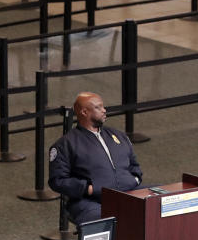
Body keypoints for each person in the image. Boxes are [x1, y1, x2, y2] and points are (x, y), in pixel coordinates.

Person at [48, 92, 143, 224]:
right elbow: (57, 180)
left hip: (129, 191)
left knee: (163, 199)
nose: (104, 110)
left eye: (103, 106)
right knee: (105, 218)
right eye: (98, 107)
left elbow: (134, 165)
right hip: (90, 201)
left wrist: (135, 179)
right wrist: (88, 189)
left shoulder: (118, 136)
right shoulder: (65, 145)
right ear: (84, 112)